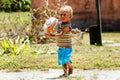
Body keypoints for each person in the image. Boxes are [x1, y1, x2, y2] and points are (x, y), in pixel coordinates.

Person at [50, 5, 74, 77]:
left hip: (67, 46)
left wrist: (53, 35)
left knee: (65, 59)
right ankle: (65, 73)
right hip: (60, 46)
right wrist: (50, 30)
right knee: (62, 61)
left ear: (70, 17)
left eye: (64, 15)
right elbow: (53, 29)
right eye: (61, 14)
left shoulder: (67, 26)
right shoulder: (59, 24)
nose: (62, 16)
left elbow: (61, 34)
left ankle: (71, 67)